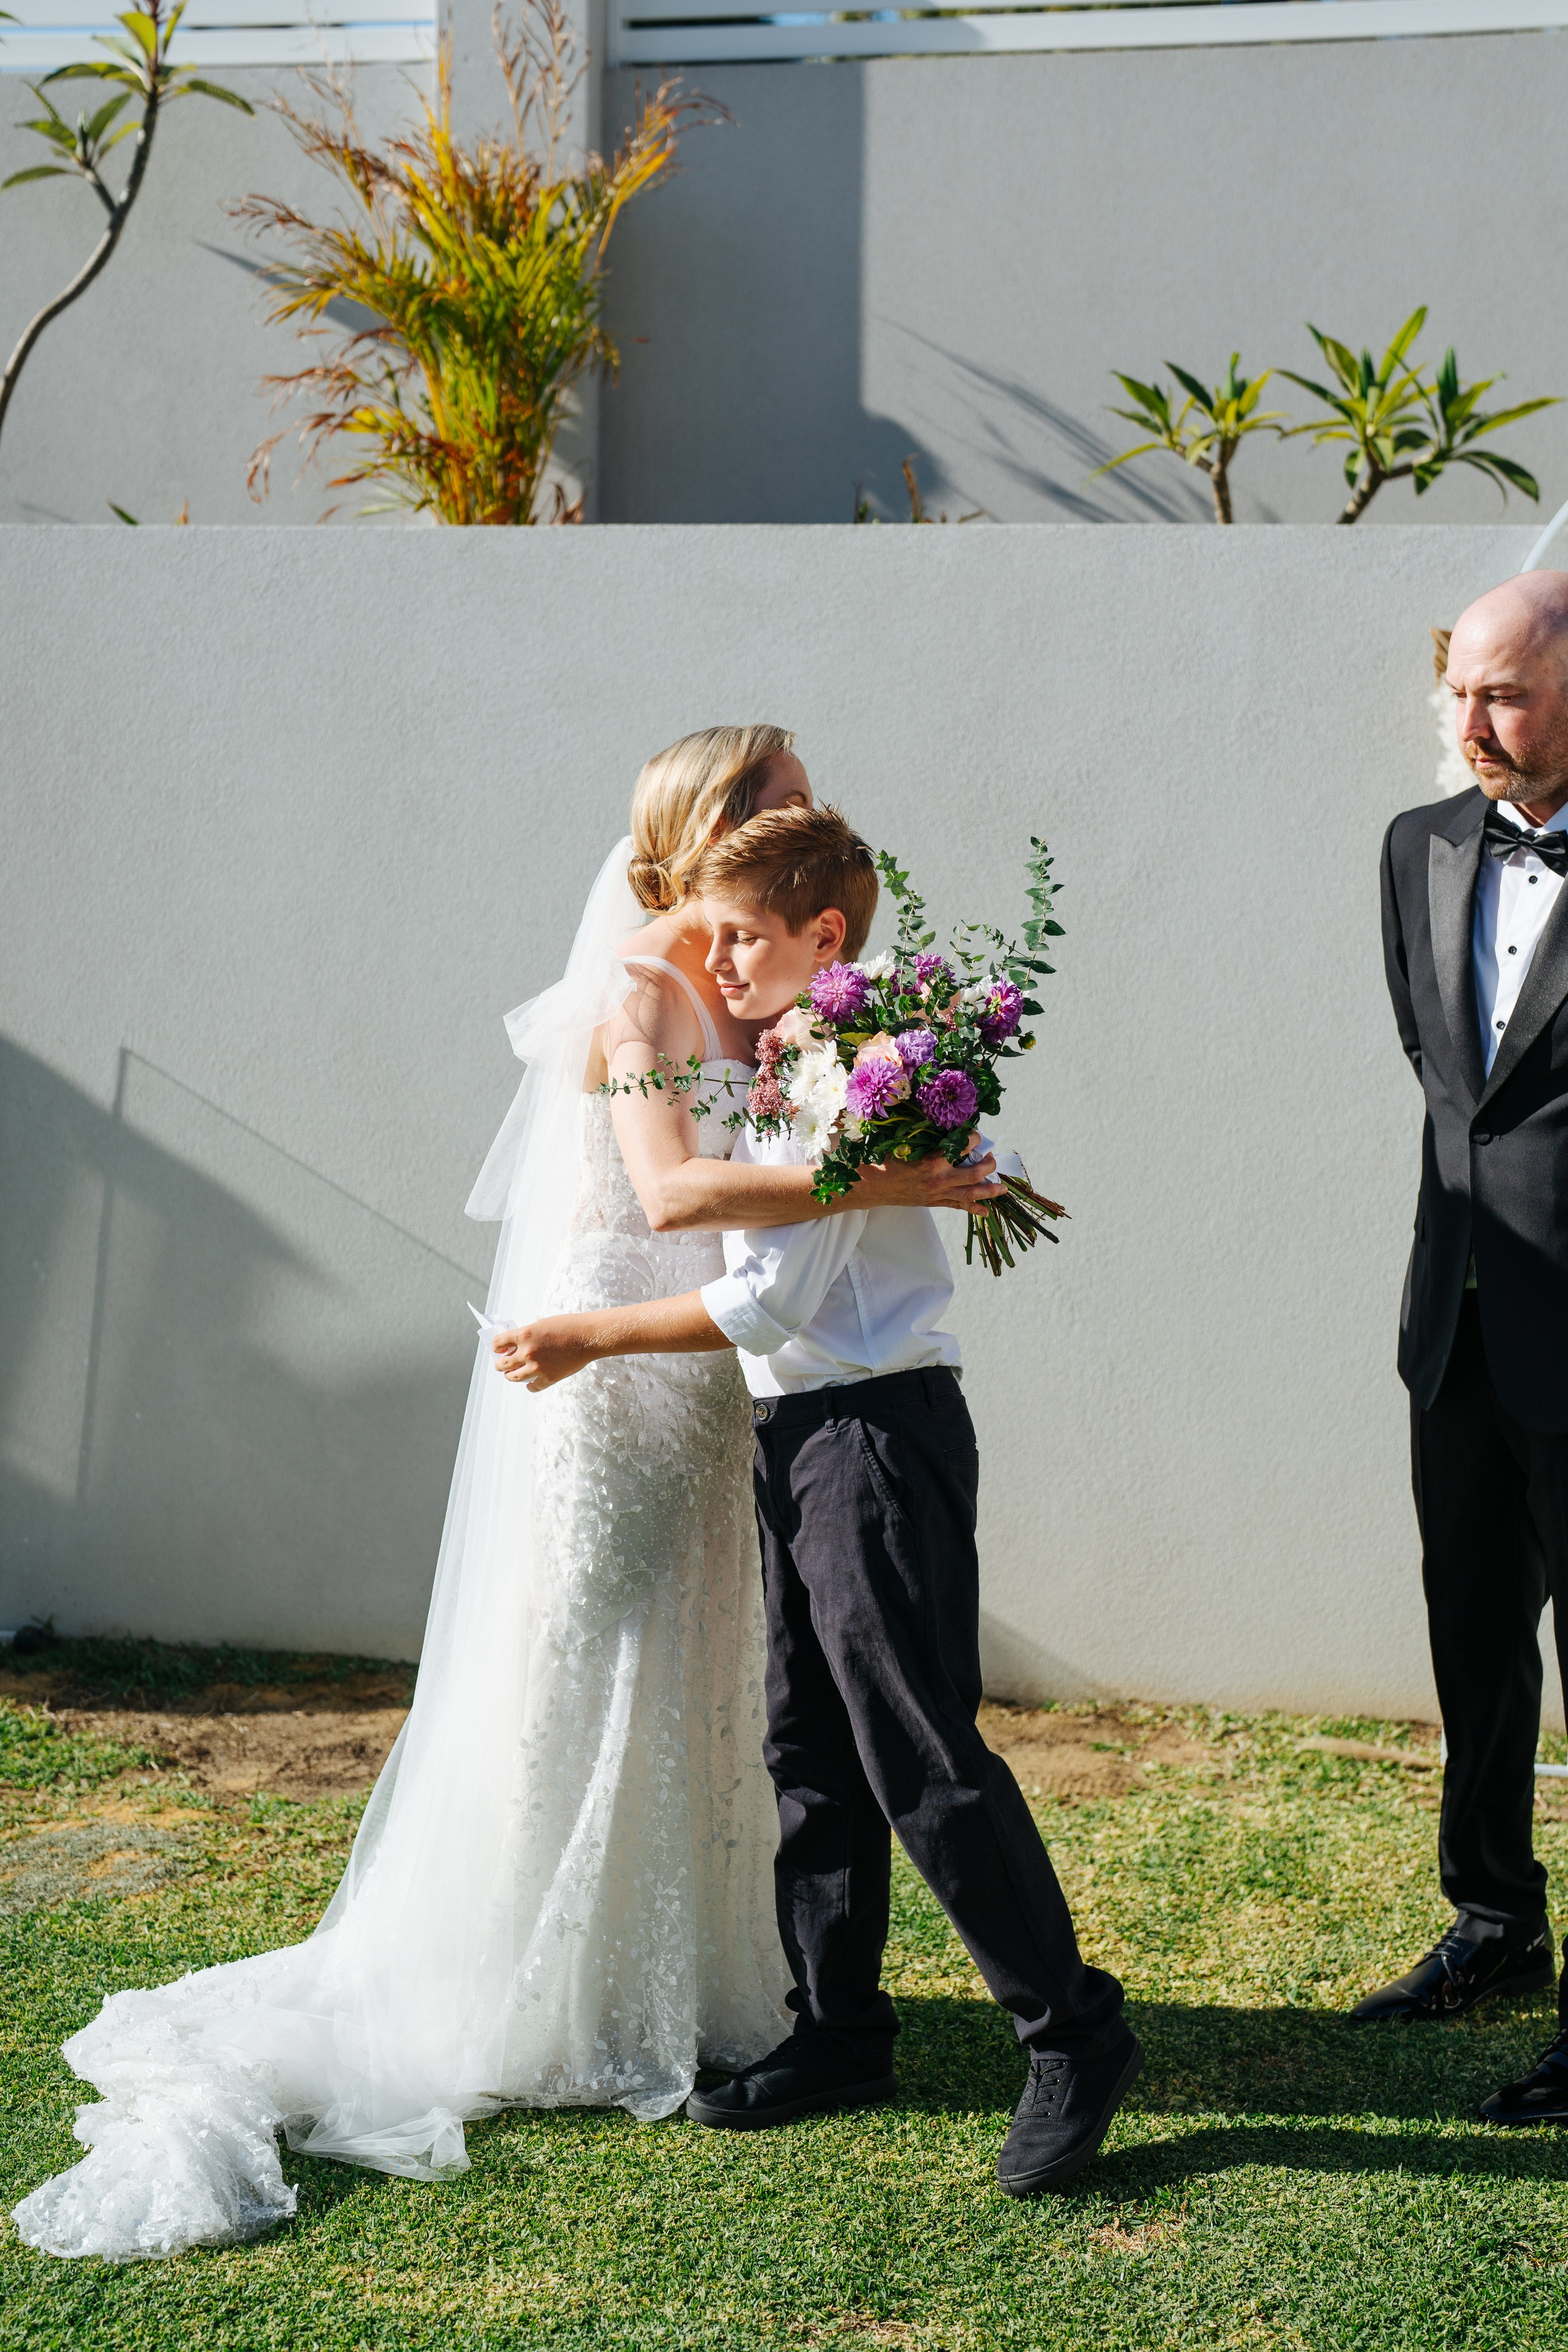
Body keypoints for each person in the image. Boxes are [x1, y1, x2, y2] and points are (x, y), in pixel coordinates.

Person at [13, 726, 1000, 2263]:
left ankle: (709, 1977)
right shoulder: (644, 992)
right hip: (621, 1363)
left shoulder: (766, 985)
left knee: (713, 1676)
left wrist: (895, 1130)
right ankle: (547, 1980)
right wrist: (882, 1177)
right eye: (776, 790)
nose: (804, 806)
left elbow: (776, 1177)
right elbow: (672, 1193)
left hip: (732, 1358)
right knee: (591, 1661)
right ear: (708, 822)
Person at [496, 804, 1139, 2197]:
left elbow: (763, 1296)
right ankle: (838, 2028)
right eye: (711, 939)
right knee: (808, 1746)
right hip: (799, 1431)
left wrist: (585, 1337)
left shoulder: (859, 1073)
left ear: (823, 941)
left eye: (739, 939)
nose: (716, 966)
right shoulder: (801, 1059)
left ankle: (1070, 2029)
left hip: (875, 1432)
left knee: (916, 1750)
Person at [1363, 571, 1568, 2125]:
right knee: (1473, 1646)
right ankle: (1493, 1923)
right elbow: (1445, 1079)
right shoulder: (1416, 848)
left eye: (1499, 695)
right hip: (1455, 1327)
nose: (1468, 726)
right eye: (1458, 693)